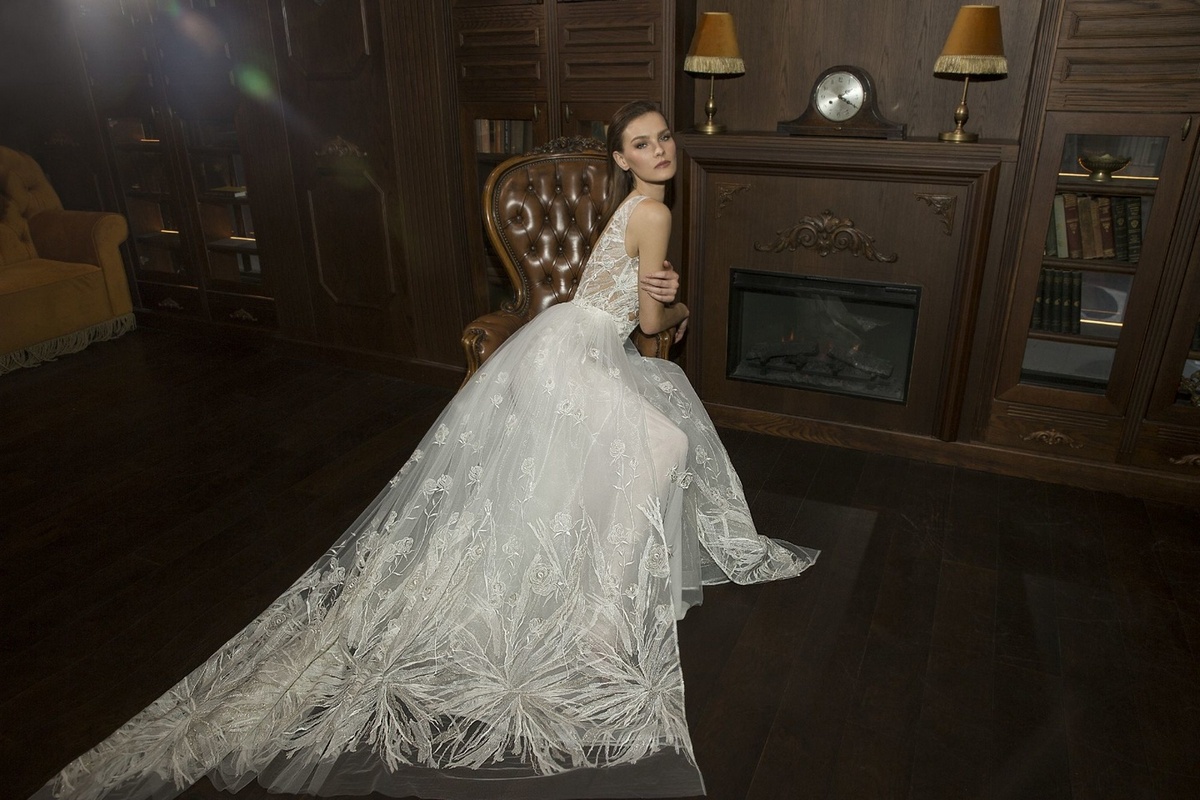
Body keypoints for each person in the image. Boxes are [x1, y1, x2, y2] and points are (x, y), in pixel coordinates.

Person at [31, 100, 818, 800]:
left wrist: (659, 302)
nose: (660, 150)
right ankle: (601, 619)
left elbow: (622, 311)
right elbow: (648, 328)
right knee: (664, 441)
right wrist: (678, 306)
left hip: (559, 349)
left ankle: (593, 596)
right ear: (620, 157)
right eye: (642, 143)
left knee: (638, 448)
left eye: (664, 138)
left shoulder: (639, 205)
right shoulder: (653, 212)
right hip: (573, 357)